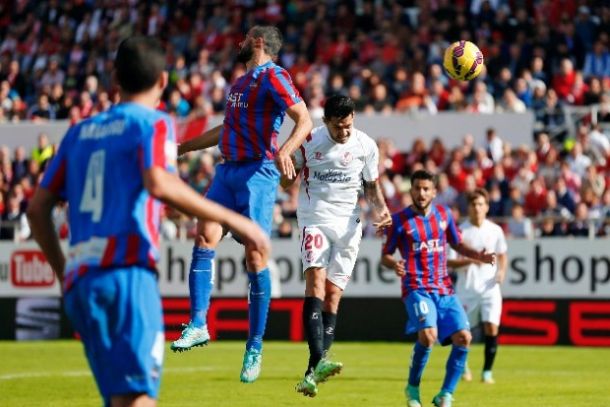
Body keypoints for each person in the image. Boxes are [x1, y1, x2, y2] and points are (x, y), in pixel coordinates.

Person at [27, 36, 269, 407]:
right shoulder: (153, 123)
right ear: (161, 81)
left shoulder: (78, 132)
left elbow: (37, 208)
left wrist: (64, 274)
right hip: (126, 277)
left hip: (81, 283)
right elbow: (159, 182)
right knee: (140, 400)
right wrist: (234, 219)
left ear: (114, 79)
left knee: (119, 400)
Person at [172, 25, 313, 383]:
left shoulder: (275, 76)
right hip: (227, 172)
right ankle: (199, 323)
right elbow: (226, 129)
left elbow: (305, 117)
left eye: (246, 37)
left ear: (259, 42)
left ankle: (254, 347)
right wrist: (184, 147)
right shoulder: (240, 83)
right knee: (204, 236)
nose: (239, 41)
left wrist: (286, 149)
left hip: (258, 174)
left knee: (254, 256)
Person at [280, 95, 392, 397]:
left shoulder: (366, 146)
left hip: (349, 227)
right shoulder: (309, 141)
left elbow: (371, 189)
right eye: (339, 127)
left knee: (332, 297)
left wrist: (382, 210)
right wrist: (284, 171)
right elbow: (285, 182)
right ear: (326, 121)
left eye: (349, 126)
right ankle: (319, 360)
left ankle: (311, 373)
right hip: (314, 218)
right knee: (315, 285)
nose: (345, 132)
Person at [381, 170, 496, 407]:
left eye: (426, 189)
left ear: (434, 192)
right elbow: (385, 255)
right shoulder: (400, 220)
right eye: (417, 189)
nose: (421, 193)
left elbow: (457, 243)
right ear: (411, 190)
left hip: (443, 288)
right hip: (416, 288)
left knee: (464, 337)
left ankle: (446, 394)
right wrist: (394, 264)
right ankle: (412, 389)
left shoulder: (444, 215)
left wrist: (478, 255)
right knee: (428, 335)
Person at [447, 188, 507, 384]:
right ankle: (463, 366)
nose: (477, 208)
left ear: (487, 207)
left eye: (481, 204)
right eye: (473, 204)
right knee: (464, 332)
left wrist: (501, 272)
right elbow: (449, 262)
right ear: (469, 208)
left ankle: (487, 372)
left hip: (490, 288)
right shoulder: (460, 231)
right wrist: (471, 260)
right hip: (467, 289)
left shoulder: (495, 230)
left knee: (491, 327)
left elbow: (502, 254)